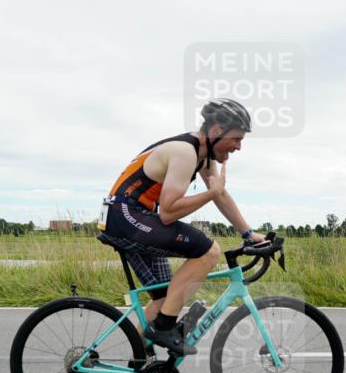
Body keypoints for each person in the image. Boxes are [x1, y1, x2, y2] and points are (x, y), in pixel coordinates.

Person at [97, 98, 266, 357]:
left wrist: (248, 234)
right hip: (127, 215)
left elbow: (220, 194)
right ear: (216, 131)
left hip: (129, 216)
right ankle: (164, 328)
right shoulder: (185, 152)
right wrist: (211, 193)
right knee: (208, 251)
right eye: (236, 139)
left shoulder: (201, 155)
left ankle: (139, 364)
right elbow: (168, 212)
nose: (239, 147)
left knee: (166, 299)